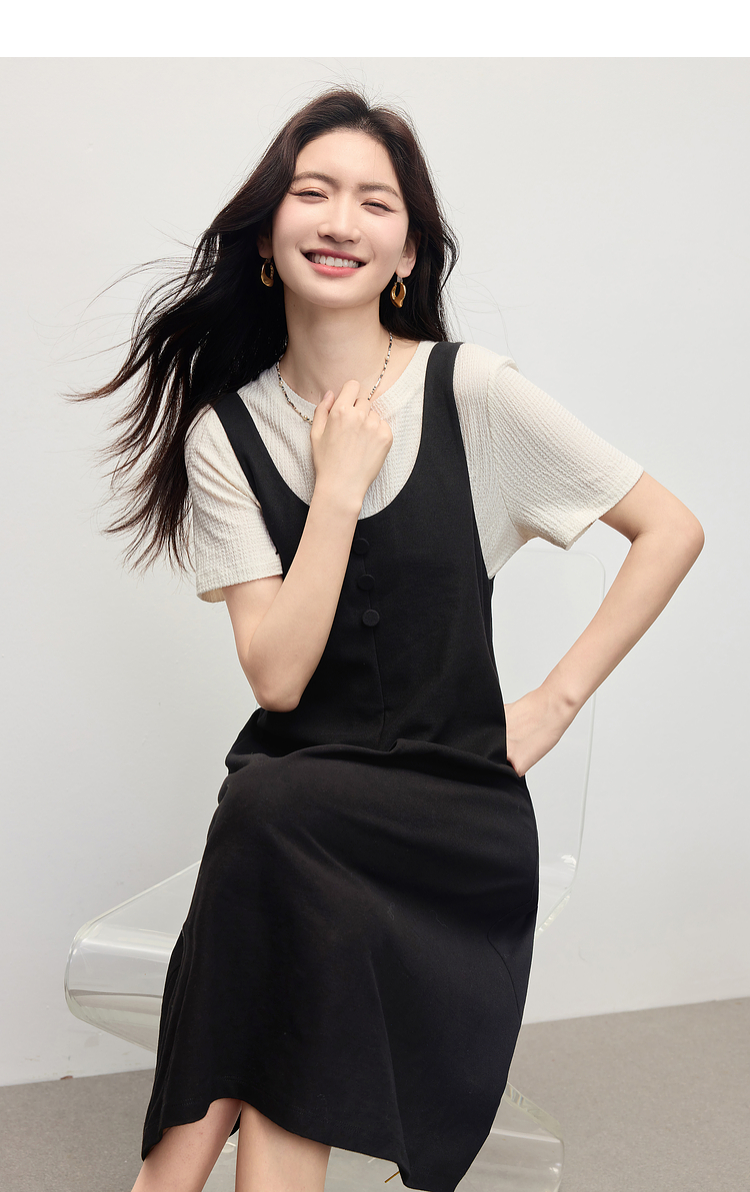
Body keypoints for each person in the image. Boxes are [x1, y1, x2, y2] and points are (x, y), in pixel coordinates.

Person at [80, 87, 703, 1192]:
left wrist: (550, 707)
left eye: (375, 203)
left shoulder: (471, 392)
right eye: (313, 193)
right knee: (279, 851)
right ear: (267, 235)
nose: (340, 221)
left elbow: (670, 528)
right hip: (298, 809)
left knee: (265, 820)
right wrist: (338, 486)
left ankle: (165, 1177)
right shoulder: (226, 434)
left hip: (446, 807)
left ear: (407, 251)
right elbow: (280, 679)